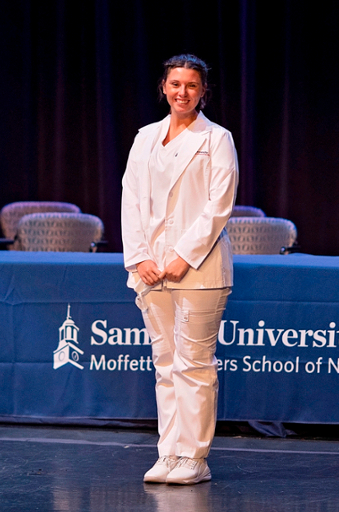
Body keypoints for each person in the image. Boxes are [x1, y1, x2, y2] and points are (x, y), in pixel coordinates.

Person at [121, 54, 238, 485]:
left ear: (203, 91)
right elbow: (130, 199)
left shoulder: (217, 138)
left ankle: (194, 457)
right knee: (165, 363)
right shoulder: (146, 138)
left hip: (198, 269)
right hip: (150, 269)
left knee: (194, 364)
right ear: (164, 87)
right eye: (175, 84)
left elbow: (218, 206)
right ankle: (168, 452)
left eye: (191, 85)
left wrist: (181, 257)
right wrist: (140, 257)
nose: (182, 92)